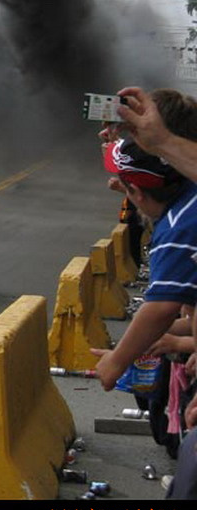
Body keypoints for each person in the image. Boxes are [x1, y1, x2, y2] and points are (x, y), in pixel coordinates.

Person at [92, 138, 197, 391]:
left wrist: (116, 361)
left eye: (129, 191)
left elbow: (161, 307)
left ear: (138, 193)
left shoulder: (178, 230)